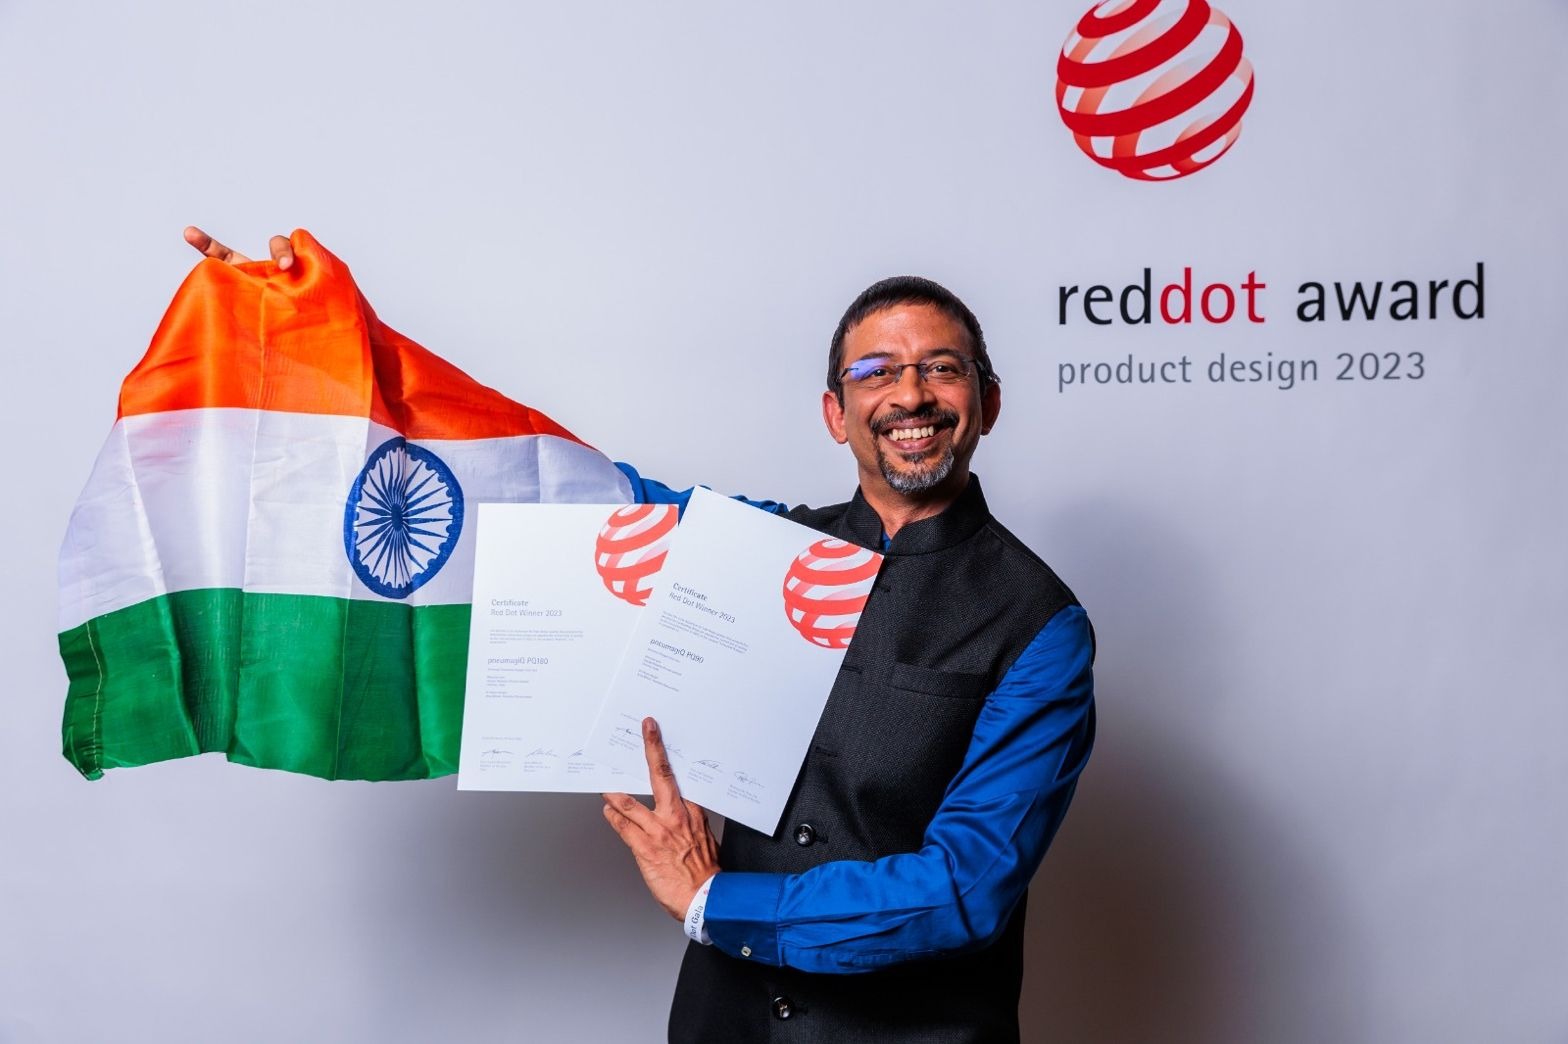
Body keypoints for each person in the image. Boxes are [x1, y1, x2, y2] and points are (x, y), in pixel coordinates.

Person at [183, 231, 1095, 1041]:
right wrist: (310, 345)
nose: (911, 394)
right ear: (835, 413)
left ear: (988, 400)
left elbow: (963, 888)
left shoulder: (1040, 626)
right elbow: (544, 481)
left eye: (942, 368)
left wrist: (715, 899)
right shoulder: (758, 550)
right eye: (877, 372)